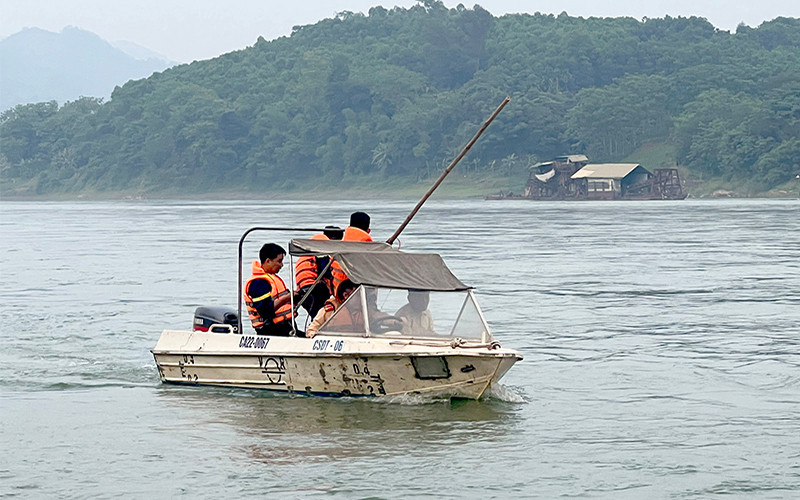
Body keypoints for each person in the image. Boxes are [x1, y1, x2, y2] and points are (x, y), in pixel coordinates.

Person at [243, 243, 298, 336]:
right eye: (279, 261)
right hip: (271, 330)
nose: (282, 265)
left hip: (286, 326)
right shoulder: (259, 283)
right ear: (268, 261)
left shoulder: (271, 279)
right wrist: (287, 298)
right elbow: (265, 311)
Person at [295, 225, 344, 317]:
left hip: (304, 290)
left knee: (317, 316)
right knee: (321, 317)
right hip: (314, 290)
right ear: (333, 239)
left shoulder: (312, 245)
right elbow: (325, 269)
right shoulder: (322, 246)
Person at [332, 211, 373, 295]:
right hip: (352, 291)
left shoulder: (341, 243)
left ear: (349, 227)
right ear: (368, 230)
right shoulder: (367, 245)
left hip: (337, 289)